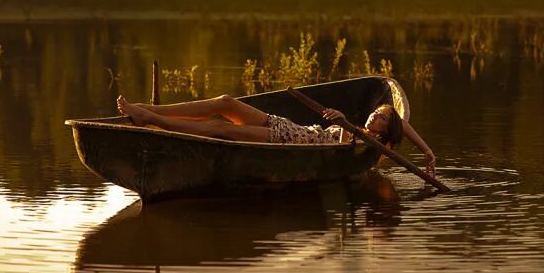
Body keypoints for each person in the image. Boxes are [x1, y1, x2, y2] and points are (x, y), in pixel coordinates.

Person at [117, 94, 437, 175]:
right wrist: (427, 152)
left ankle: (150, 119)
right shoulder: (366, 133)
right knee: (225, 103)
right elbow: (403, 123)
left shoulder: (367, 142)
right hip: (290, 128)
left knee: (221, 130)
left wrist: (347, 123)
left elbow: (397, 127)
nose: (375, 115)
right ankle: (155, 110)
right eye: (377, 112)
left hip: (290, 142)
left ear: (384, 134)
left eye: (381, 118)